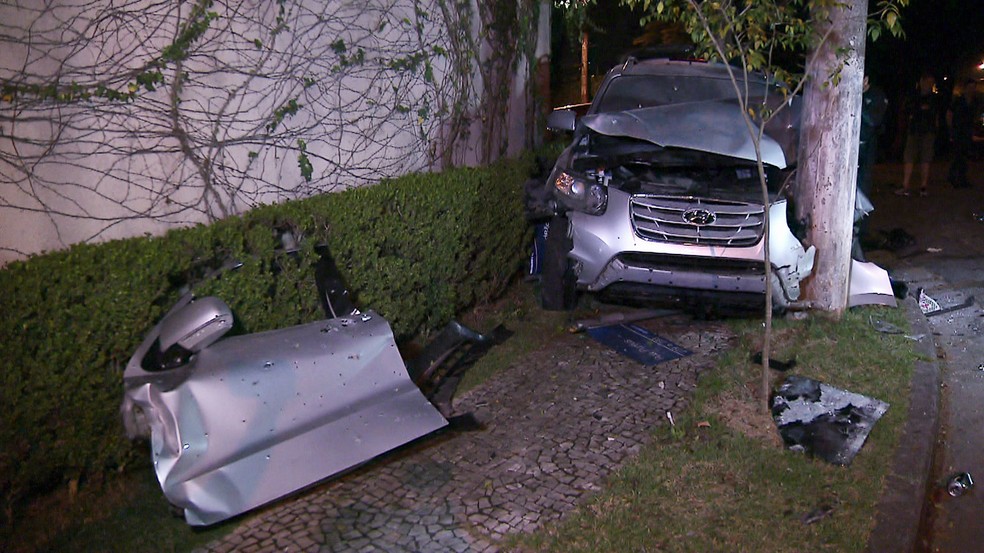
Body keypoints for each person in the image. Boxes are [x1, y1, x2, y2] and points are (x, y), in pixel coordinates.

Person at [854, 75, 887, 261]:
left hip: (866, 149)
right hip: (851, 147)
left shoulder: (875, 95)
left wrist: (859, 99)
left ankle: (862, 232)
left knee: (863, 188)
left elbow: (873, 120)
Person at [896, 74, 939, 196]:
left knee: (926, 158)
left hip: (928, 131)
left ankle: (923, 186)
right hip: (914, 130)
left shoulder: (934, 98)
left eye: (931, 83)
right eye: (927, 82)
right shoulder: (914, 96)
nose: (929, 85)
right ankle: (905, 185)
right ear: (921, 81)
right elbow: (907, 110)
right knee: (909, 157)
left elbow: (935, 113)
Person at [947, 80, 976, 188]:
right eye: (969, 87)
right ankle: (958, 178)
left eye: (973, 88)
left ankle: (956, 176)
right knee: (959, 155)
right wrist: (951, 128)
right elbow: (949, 113)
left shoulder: (974, 102)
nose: (971, 90)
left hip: (967, 131)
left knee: (963, 155)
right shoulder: (958, 100)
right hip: (958, 131)